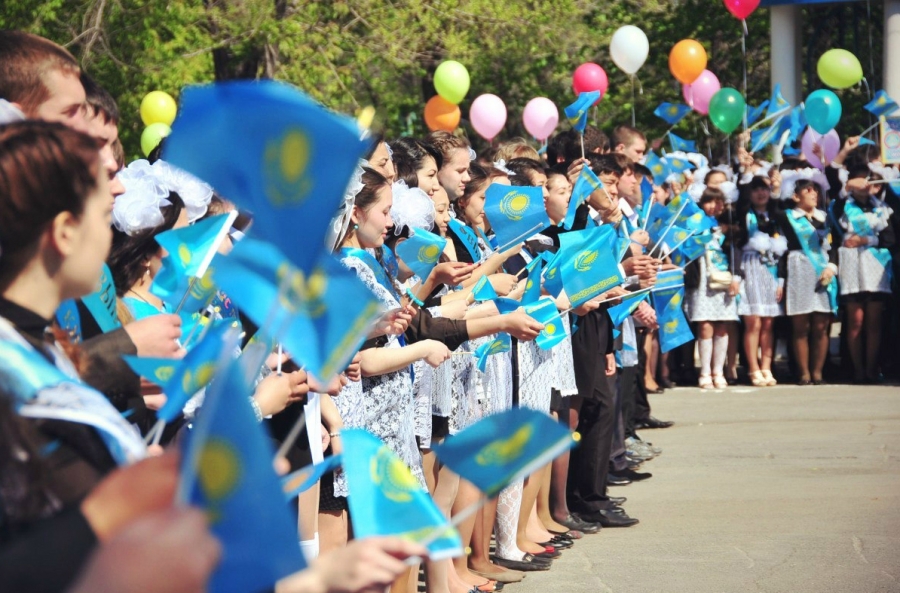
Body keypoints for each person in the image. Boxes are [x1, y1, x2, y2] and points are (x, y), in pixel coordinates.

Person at [776, 180, 837, 385]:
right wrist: (777, 187)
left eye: (815, 190)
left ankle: (818, 372)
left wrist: (831, 268)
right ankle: (803, 373)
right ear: (796, 196)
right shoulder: (788, 217)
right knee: (800, 326)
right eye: (807, 190)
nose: (813, 194)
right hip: (798, 268)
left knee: (820, 326)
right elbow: (773, 211)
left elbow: (834, 245)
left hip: (822, 270)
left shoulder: (825, 218)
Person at [732, 176, 786, 387]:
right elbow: (736, 246)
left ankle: (767, 366)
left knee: (768, 323)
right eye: (756, 189)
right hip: (750, 268)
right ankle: (753, 368)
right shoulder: (743, 215)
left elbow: (783, 252)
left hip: (771, 270)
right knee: (753, 322)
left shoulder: (777, 215)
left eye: (764, 188)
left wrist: (780, 281)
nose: (761, 193)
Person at [685, 188, 738, 389]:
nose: (714, 206)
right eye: (710, 202)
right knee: (705, 325)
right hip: (702, 280)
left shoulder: (727, 227)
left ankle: (719, 370)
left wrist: (736, 278)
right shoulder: (694, 224)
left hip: (724, 280)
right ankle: (705, 371)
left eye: (719, 202)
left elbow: (736, 255)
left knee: (723, 326)